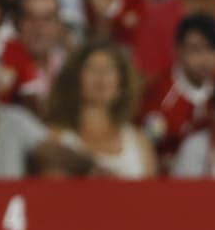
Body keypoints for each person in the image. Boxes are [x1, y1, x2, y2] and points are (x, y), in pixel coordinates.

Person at [47, 41, 157, 178]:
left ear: (121, 83)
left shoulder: (139, 143)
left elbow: (151, 196)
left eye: (109, 68)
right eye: (91, 68)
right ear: (74, 80)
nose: (101, 76)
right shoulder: (56, 138)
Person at [140, 13, 215, 165]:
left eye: (212, 49)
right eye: (196, 49)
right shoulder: (159, 95)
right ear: (178, 50)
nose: (205, 58)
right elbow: (147, 150)